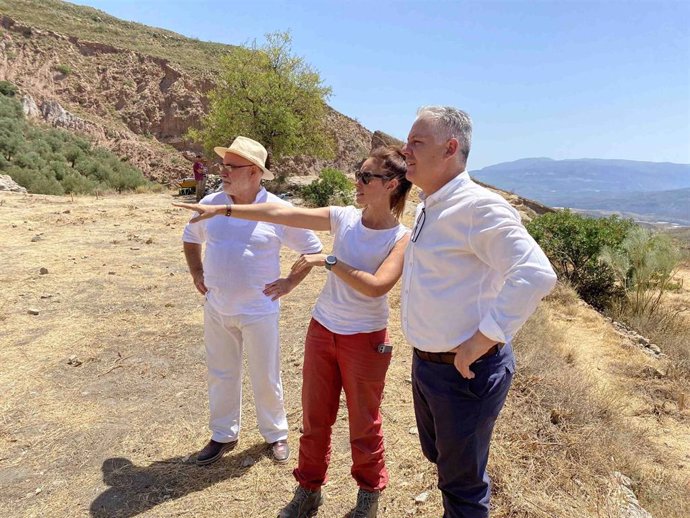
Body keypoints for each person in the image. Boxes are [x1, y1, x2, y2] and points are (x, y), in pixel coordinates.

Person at [175, 146, 413, 518]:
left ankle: (368, 497)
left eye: (366, 177)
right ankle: (308, 490)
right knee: (315, 419)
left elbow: (377, 286)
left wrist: (329, 261)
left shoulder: (402, 237)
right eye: (358, 173)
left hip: (365, 339)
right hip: (323, 329)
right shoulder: (343, 217)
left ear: (392, 184)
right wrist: (224, 208)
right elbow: (280, 212)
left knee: (365, 423)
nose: (357, 182)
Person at [400, 106, 557, 518]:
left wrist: (483, 338)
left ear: (450, 148)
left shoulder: (478, 208)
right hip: (430, 366)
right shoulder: (430, 204)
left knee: (464, 489)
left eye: (417, 142)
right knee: (445, 465)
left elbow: (535, 274)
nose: (405, 150)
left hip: (465, 372)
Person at [181, 136, 323, 466]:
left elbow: (313, 249)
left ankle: (275, 434)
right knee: (221, 372)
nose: (224, 172)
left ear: (256, 173)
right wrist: (196, 271)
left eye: (232, 166)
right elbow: (190, 238)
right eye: (223, 165)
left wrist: (290, 281)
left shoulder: (277, 210)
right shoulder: (212, 204)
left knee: (266, 374)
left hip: (259, 310)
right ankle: (223, 434)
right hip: (217, 308)